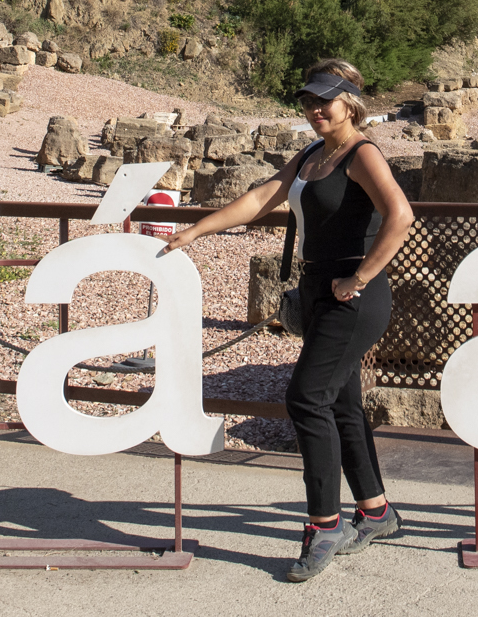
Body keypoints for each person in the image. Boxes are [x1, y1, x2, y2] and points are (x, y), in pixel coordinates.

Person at [161, 58, 414, 582]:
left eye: (326, 100)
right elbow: (261, 197)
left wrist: (361, 277)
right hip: (319, 288)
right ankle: (377, 511)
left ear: (350, 103)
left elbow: (401, 215)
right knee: (340, 402)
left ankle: (323, 525)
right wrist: (196, 231)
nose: (316, 109)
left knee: (305, 397)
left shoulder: (362, 153)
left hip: (354, 295)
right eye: (309, 101)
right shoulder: (312, 155)